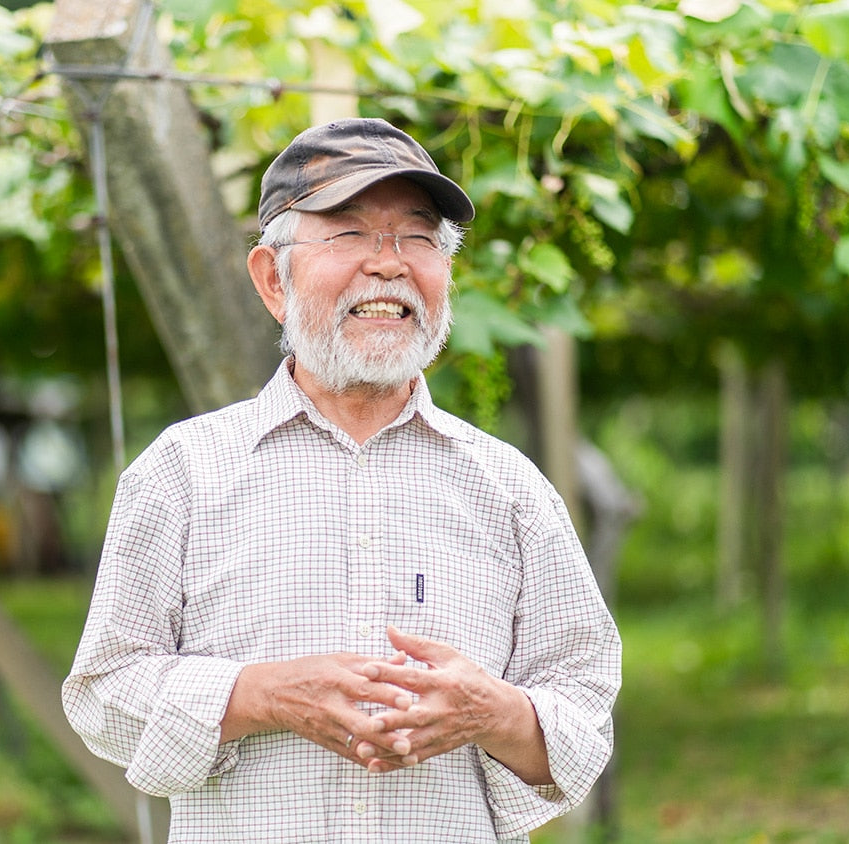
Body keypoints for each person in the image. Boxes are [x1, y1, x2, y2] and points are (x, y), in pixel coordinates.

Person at [62, 118, 621, 842]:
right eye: (350, 233)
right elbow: (103, 694)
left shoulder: (509, 488)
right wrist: (262, 694)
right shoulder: (183, 474)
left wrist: (494, 712)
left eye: (418, 238)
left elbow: (583, 711)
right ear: (273, 279)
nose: (389, 264)